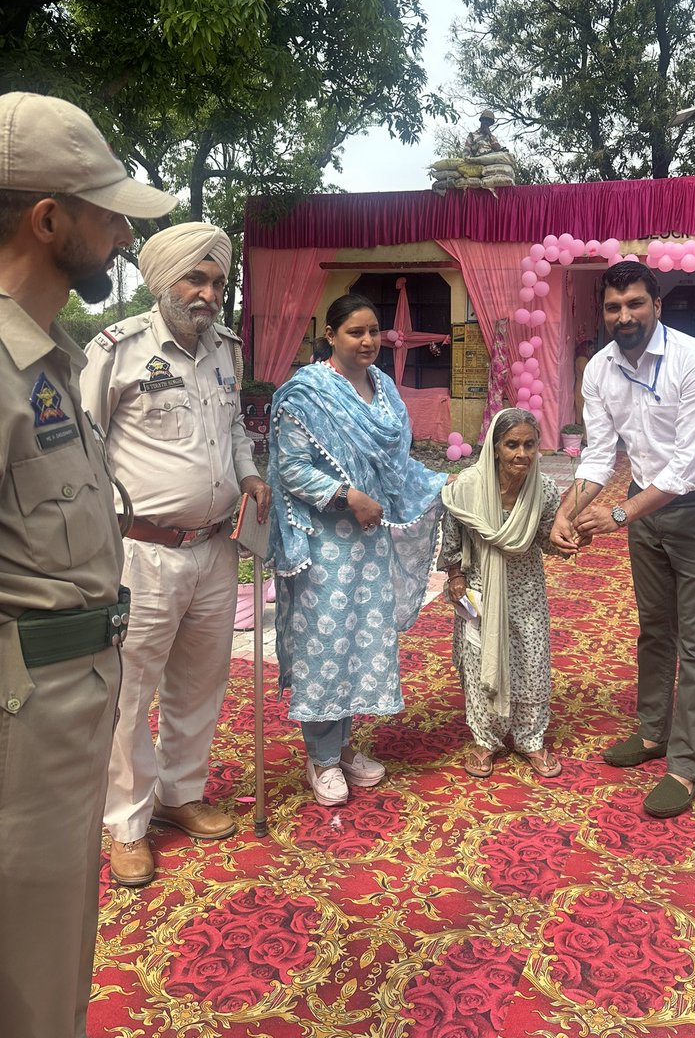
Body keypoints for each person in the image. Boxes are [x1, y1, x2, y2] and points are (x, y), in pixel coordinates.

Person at [0, 91, 176, 1038]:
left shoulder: (48, 357)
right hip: (18, 721)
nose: (119, 233)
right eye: (106, 210)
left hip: (67, 704)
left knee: (51, 953)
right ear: (48, 219)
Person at [80, 222, 271, 888]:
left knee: (200, 682)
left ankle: (179, 794)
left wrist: (249, 473)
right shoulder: (117, 350)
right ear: (164, 280)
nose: (208, 293)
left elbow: (236, 433)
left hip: (218, 547)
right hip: (143, 554)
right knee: (131, 693)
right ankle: (127, 822)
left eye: (218, 281)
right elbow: (83, 449)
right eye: (196, 278)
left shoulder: (227, 350)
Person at [551, 263, 695, 818]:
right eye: (613, 307)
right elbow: (599, 451)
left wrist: (618, 513)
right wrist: (568, 511)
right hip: (644, 506)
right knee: (656, 628)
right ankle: (653, 733)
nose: (624, 316)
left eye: (635, 304)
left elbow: (687, 467)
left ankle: (684, 765)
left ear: (657, 304)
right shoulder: (601, 369)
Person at [267, 293, 446, 807]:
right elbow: (292, 468)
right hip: (323, 541)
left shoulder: (383, 388)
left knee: (359, 642)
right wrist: (348, 496)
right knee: (325, 645)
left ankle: (343, 748)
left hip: (369, 542)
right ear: (330, 335)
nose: (368, 341)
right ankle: (320, 758)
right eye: (355, 332)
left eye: (374, 331)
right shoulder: (306, 394)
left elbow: (396, 460)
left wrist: (438, 489)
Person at [441, 408, 563, 779]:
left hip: (526, 589)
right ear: (495, 448)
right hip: (478, 587)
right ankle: (485, 739)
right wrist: (455, 574)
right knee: (481, 665)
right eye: (512, 445)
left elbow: (546, 537)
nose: (521, 454)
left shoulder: (544, 489)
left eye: (529, 445)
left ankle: (530, 739)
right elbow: (452, 534)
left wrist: (566, 538)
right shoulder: (467, 487)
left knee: (532, 661)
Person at [573, 338, 596, 427]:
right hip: (582, 388)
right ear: (586, 348)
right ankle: (584, 437)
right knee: (583, 411)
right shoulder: (582, 359)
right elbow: (588, 374)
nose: (593, 350)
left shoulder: (583, 358)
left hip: (583, 387)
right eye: (591, 348)